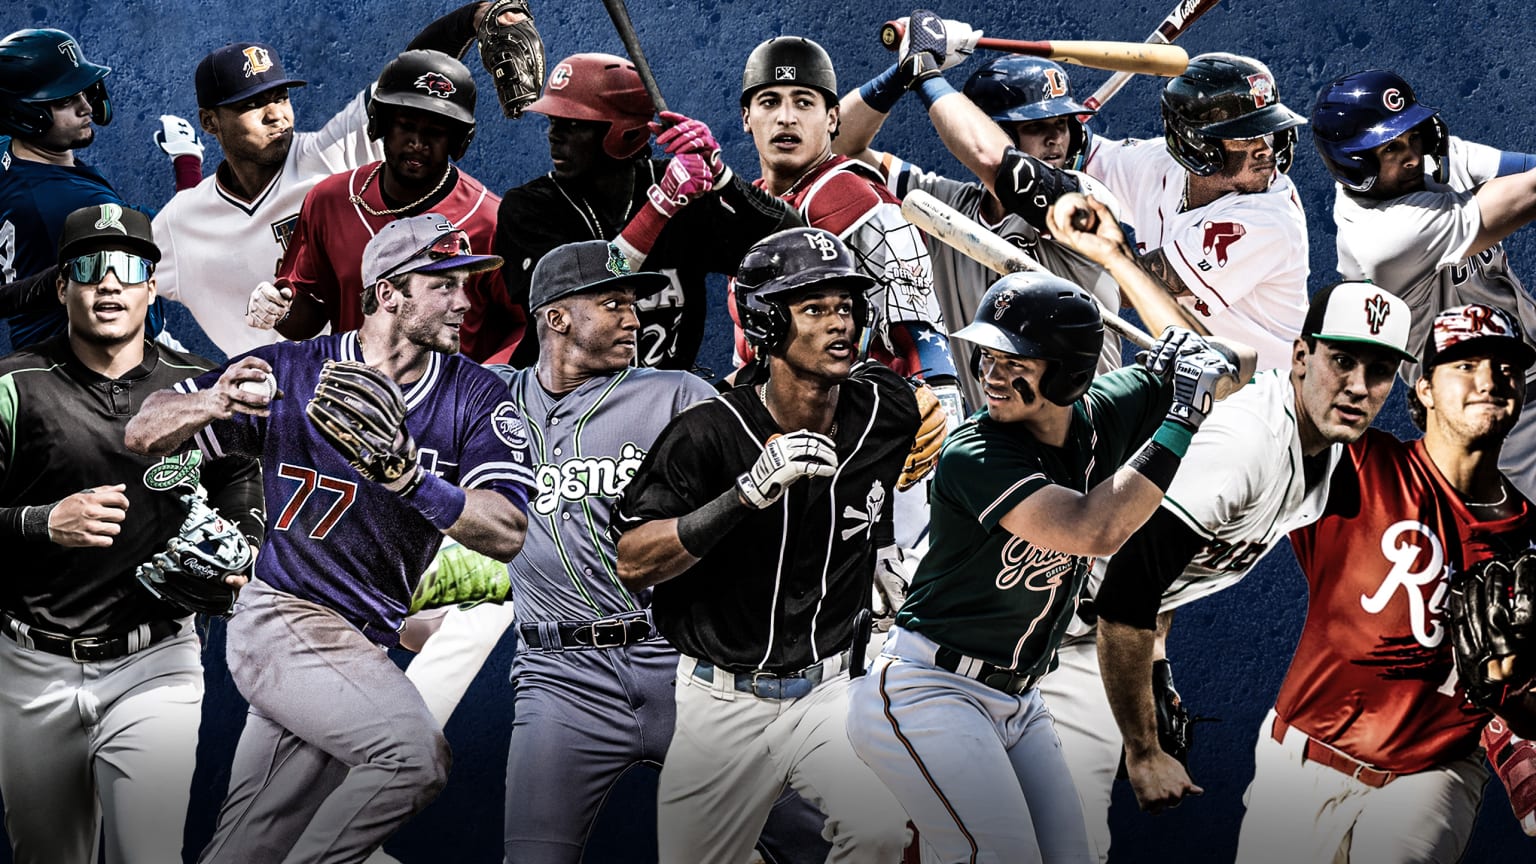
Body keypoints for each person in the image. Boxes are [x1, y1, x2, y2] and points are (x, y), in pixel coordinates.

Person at [842, 186, 1250, 860]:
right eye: (989, 357)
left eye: (1015, 362)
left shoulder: (1107, 411)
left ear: (1065, 375)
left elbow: (1240, 372)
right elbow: (1097, 530)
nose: (992, 376)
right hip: (927, 689)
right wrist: (1182, 414)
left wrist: (1200, 356)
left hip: (1019, 702)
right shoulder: (976, 451)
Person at [403, 238, 830, 862]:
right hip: (559, 679)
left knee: (812, 839)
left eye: (634, 303)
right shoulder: (482, 398)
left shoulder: (676, 393)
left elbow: (779, 473)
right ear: (556, 317)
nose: (635, 317)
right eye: (613, 303)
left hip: (677, 664)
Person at [124, 213, 533, 863]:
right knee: (413, 758)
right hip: (283, 613)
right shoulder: (290, 369)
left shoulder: (474, 395)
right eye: (444, 284)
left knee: (252, 845)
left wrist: (407, 477)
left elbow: (509, 530)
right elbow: (144, 433)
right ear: (389, 292)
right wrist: (213, 403)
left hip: (360, 641)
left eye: (467, 283)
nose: (465, 300)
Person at [613, 227, 917, 864]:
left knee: (882, 830)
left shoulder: (884, 409)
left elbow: (918, 424)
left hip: (832, 691)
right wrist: (742, 497)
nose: (841, 324)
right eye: (815, 308)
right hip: (723, 702)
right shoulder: (706, 433)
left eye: (848, 307)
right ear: (768, 324)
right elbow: (633, 560)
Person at [1082, 282, 1414, 858]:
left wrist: (1155, 665)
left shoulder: (1324, 456)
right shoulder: (1246, 446)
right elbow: (1125, 595)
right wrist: (1142, 750)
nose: (1359, 387)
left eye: (1380, 370)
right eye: (1341, 361)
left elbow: (1173, 572)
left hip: (1084, 632)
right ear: (1302, 357)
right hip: (1041, 617)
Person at [0, 203, 261, 863]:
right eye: (88, 268)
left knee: (146, 855)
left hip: (156, 663)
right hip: (32, 667)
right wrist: (40, 523)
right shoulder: (14, 385)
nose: (108, 283)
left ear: (152, 283)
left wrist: (238, 541)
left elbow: (240, 477)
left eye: (128, 267)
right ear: (62, 286)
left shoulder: (197, 382)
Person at [1233, 303, 1536, 863]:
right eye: (1465, 365)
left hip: (1434, 773)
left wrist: (1517, 699)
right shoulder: (1358, 466)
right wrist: (1114, 258)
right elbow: (1233, 376)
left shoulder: (1531, 541)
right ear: (1423, 390)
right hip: (1301, 761)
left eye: (1506, 367)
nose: (1490, 380)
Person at [149, 3, 515, 358]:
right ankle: (187, 155)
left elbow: (413, 74)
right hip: (264, 402)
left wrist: (475, 16)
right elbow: (120, 284)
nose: (276, 115)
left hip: (351, 378)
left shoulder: (327, 155)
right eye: (252, 104)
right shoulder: (179, 221)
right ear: (210, 122)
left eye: (281, 97)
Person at [940, 48, 1310, 372]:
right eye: (1245, 135)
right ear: (1198, 144)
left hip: (1268, 406)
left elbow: (1128, 288)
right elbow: (1087, 158)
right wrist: (1059, 128)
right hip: (1204, 393)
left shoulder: (1269, 220)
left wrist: (1034, 250)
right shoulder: (1161, 166)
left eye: (1269, 132)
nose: (1265, 149)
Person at [834, 14, 1129, 408]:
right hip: (993, 453)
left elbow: (993, 160)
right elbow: (839, 144)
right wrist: (903, 70)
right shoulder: (946, 204)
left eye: (1061, 123)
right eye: (1037, 125)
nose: (1057, 137)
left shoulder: (1085, 202)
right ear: (995, 127)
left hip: (1086, 449)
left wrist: (926, 73)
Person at [494, 52, 803, 369]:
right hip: (565, 403)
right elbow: (577, 305)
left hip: (667, 401)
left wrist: (721, 175)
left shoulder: (684, 190)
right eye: (553, 121)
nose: (554, 135)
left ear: (624, 133)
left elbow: (796, 249)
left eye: (573, 123)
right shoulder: (529, 207)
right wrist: (661, 207)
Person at [1312, 69, 1536, 499]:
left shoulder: (1431, 164)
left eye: (1414, 136)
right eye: (1391, 147)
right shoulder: (1380, 240)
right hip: (1498, 412)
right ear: (1353, 163)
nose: (1412, 155)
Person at [247, 49, 515, 362]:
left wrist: (486, 384)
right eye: (405, 125)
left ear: (458, 140)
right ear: (380, 124)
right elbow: (309, 313)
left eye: (435, 132)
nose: (417, 142)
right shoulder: (330, 201)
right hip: (353, 397)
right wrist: (279, 308)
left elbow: (525, 323)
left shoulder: (490, 220)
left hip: (449, 405)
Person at [0, 28, 173, 348]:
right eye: (65, 100)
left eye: (85, 91)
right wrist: (188, 162)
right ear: (24, 115)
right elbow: (180, 237)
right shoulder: (76, 205)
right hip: (94, 372)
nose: (86, 107)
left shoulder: (7, 153)